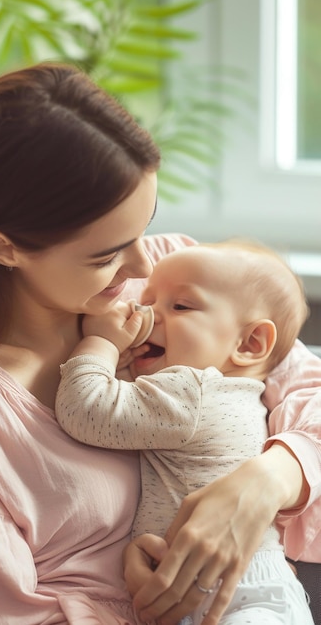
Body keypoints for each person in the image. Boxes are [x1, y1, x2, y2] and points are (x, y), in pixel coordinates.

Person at [0, 61, 320, 625]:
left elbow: (305, 381)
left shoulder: (173, 274)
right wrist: (129, 600)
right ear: (4, 248)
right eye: (105, 255)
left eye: (145, 224)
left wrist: (268, 480)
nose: (139, 267)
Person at [55, 240, 313, 624]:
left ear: (250, 343)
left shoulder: (191, 391)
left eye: (180, 306)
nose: (146, 315)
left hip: (240, 594)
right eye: (148, 301)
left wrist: (102, 343)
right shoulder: (228, 393)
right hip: (223, 585)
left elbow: (86, 409)